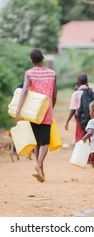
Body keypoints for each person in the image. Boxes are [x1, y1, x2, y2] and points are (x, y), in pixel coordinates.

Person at [16, 49, 57, 182]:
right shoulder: (52, 73)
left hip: (32, 112)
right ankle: (39, 165)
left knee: (38, 143)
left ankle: (41, 171)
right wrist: (51, 107)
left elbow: (24, 91)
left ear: (32, 61)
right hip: (46, 110)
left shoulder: (29, 73)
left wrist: (18, 110)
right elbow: (54, 95)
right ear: (43, 58)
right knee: (45, 142)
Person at [65, 73, 94, 142]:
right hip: (93, 117)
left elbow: (73, 110)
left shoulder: (76, 93)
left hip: (81, 119)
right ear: (86, 81)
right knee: (93, 135)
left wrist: (67, 121)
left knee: (81, 137)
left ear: (78, 82)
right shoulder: (93, 91)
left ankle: (83, 151)